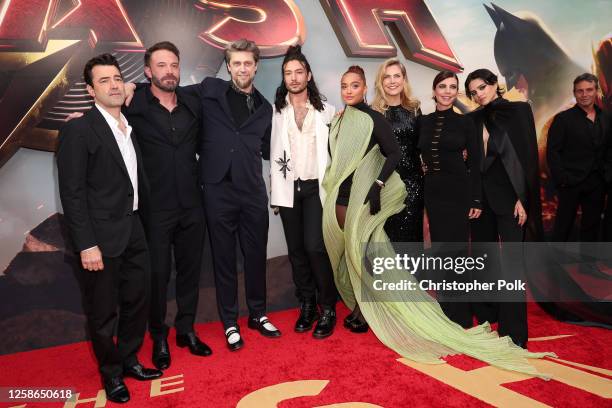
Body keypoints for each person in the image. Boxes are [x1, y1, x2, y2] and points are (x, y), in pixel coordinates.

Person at [322, 65, 554, 379]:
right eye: (470, 91)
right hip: (403, 190)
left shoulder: (434, 116)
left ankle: (450, 314)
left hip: (426, 192)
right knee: (380, 255)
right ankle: (385, 312)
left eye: (459, 88)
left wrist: (496, 197)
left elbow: (479, 160)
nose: (471, 94)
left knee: (420, 255)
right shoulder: (383, 115)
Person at [57, 54, 161, 404]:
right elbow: (72, 193)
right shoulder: (78, 129)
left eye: (118, 78)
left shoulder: (127, 125)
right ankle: (112, 374)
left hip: (133, 229)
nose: (114, 85)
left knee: (137, 301)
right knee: (103, 313)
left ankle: (130, 359)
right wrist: (86, 244)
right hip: (99, 239)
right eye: (104, 81)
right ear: (90, 90)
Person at [124, 42, 210, 369]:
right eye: (161, 65)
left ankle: (185, 329)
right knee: (157, 275)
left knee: (190, 271)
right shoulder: (134, 103)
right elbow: (106, 116)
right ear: (148, 71)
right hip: (154, 208)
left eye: (173, 64)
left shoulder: (193, 102)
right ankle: (158, 335)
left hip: (192, 204)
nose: (168, 71)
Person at [465, 68, 542, 348]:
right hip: (480, 204)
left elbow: (528, 157)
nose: (478, 94)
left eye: (482, 88)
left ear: (494, 84)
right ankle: (487, 316)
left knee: (512, 265)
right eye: (473, 92)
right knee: (485, 261)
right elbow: (470, 163)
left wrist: (524, 198)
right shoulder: (471, 119)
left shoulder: (519, 111)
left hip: (511, 201)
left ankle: (513, 334)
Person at [270, 45, 338, 338]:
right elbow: (271, 152)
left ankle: (328, 307)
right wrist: (274, 193)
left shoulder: (327, 111)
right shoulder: (276, 111)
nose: (294, 78)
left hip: (315, 189)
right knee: (296, 251)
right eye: (288, 73)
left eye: (299, 72)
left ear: (308, 75)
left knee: (315, 248)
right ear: (283, 78)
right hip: (287, 190)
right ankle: (307, 304)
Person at [330, 66, 401, 334]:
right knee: (351, 253)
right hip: (341, 196)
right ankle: (360, 305)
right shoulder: (340, 119)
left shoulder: (374, 118)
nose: (349, 90)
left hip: (362, 197)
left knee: (363, 256)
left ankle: (365, 311)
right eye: (344, 86)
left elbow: (393, 153)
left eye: (355, 85)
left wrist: (378, 184)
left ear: (365, 88)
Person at [418, 71, 482, 328]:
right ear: (433, 91)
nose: (446, 91)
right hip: (433, 193)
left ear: (457, 92)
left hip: (458, 193)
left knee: (456, 254)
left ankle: (461, 315)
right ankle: (446, 311)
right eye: (442, 86)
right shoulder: (422, 121)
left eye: (452, 87)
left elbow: (476, 163)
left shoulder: (467, 123)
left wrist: (476, 200)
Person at [547, 73, 611, 242]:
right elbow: (553, 152)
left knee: (591, 226)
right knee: (563, 227)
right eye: (580, 91)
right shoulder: (563, 119)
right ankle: (553, 266)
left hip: (598, 182)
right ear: (574, 93)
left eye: (589, 90)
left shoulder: (606, 118)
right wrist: (562, 179)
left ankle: (587, 266)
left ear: (596, 91)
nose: (585, 94)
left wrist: (607, 177)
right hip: (571, 182)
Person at [371, 58, 424, 242]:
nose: (392, 81)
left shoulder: (415, 109)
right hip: (385, 186)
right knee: (388, 243)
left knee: (412, 243)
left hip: (413, 187)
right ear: (381, 81)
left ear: (404, 80)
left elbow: (421, 145)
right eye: (387, 77)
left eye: (397, 76)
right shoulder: (374, 113)